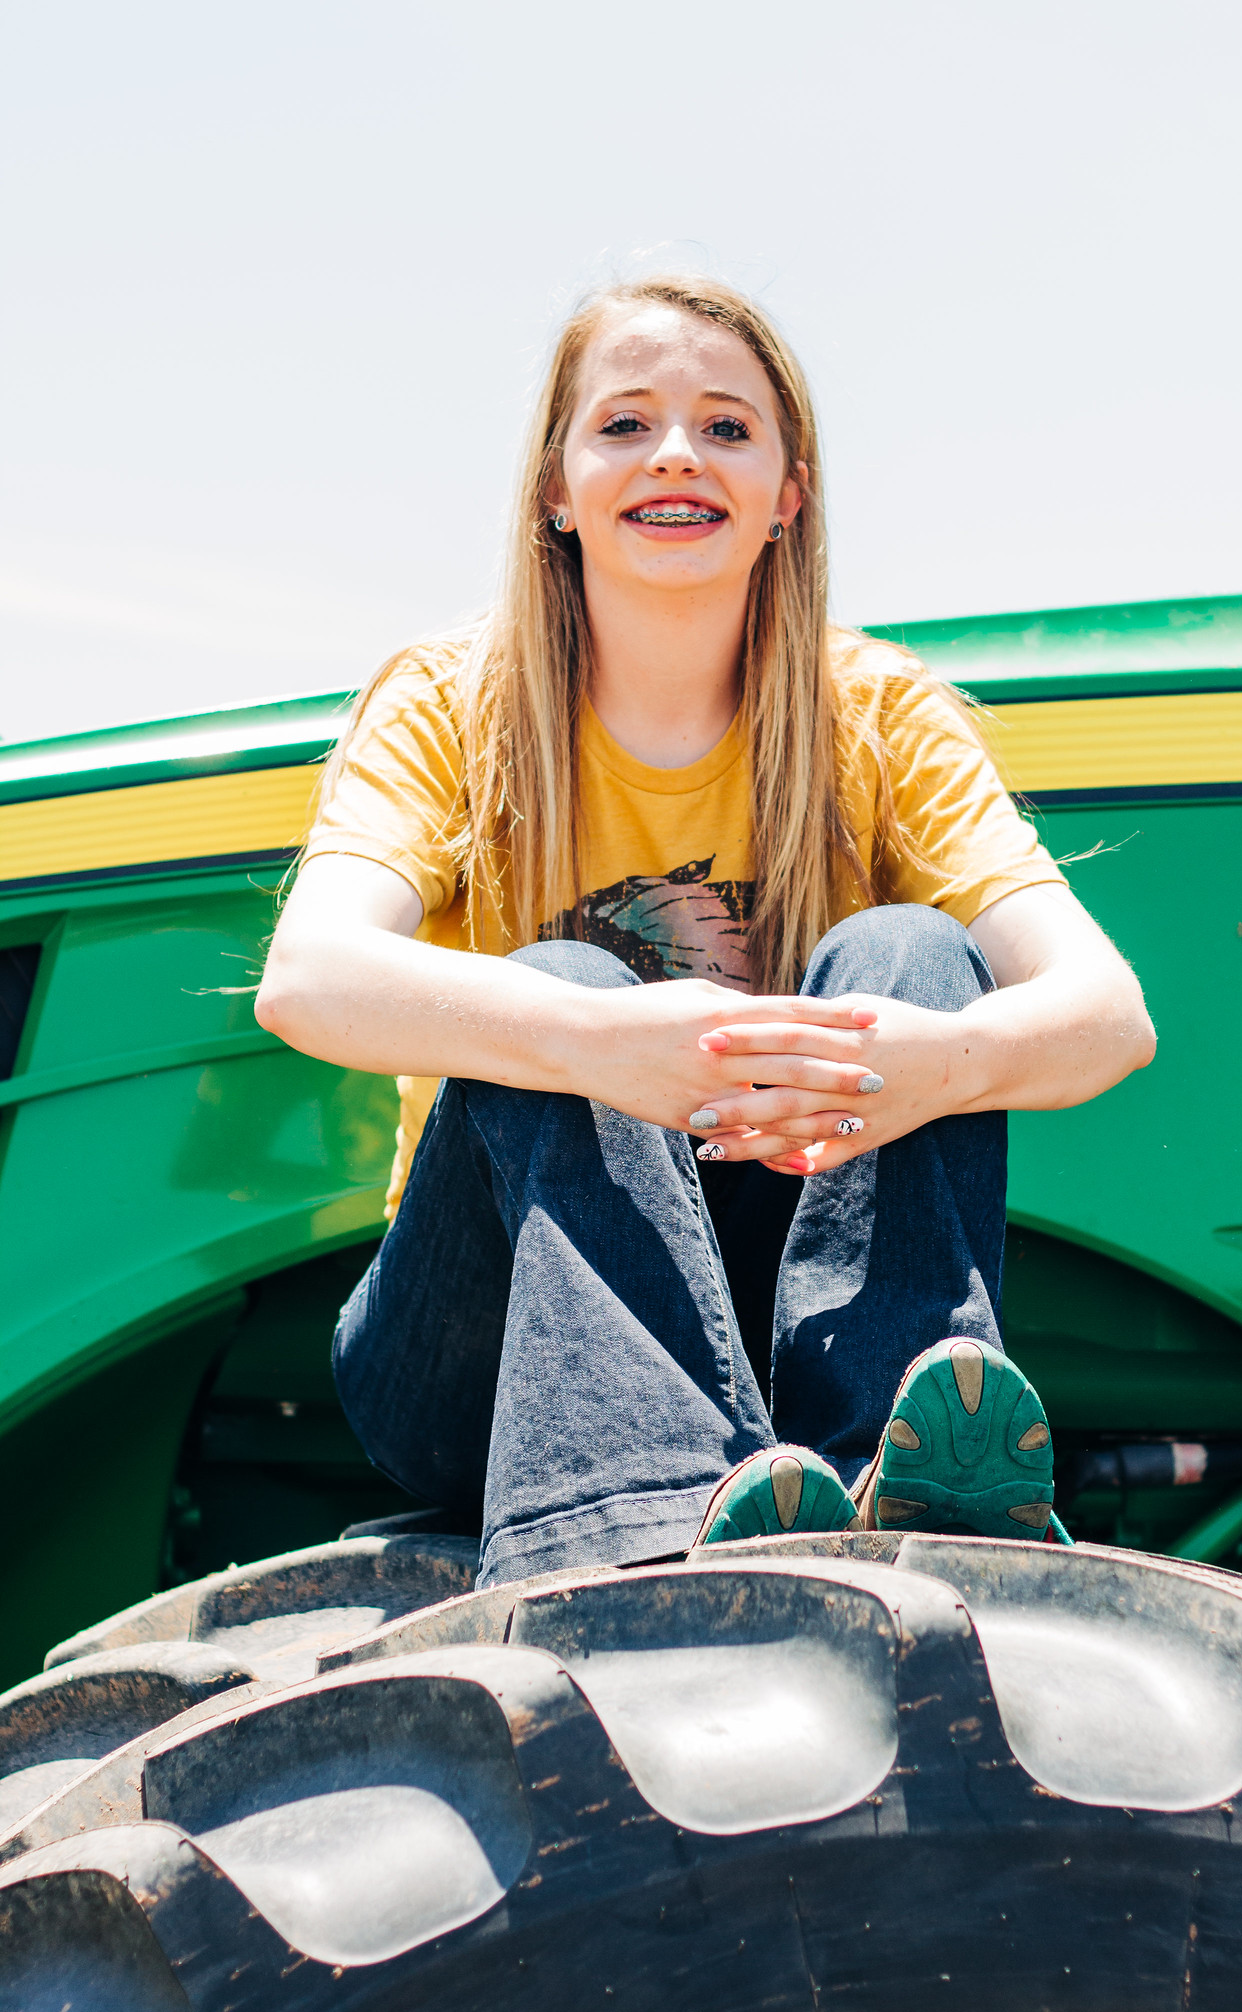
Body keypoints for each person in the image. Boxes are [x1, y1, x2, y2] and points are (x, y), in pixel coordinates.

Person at [255, 275, 1155, 1587]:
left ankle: (883, 1469)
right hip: (481, 1356)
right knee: (563, 980)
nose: (676, 452)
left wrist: (930, 1063)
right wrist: (598, 1036)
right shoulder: (450, 700)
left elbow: (1107, 1014)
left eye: (726, 427)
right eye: (625, 423)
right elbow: (308, 977)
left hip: (777, 1317)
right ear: (555, 488)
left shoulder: (877, 714)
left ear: (788, 493)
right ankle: (635, 1515)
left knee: (911, 956)